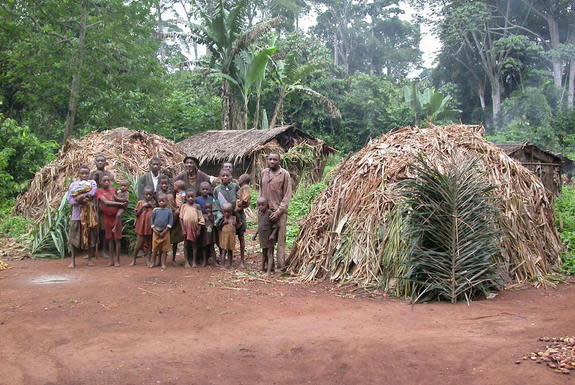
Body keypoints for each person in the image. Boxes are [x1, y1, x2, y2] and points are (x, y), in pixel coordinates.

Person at [260, 153, 292, 270]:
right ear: (267, 160)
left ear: (279, 161)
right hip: (265, 212)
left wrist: (278, 212)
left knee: (280, 239)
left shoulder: (284, 174)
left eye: (275, 159)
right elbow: (261, 192)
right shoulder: (264, 173)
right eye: (270, 159)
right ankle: (269, 265)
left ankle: (281, 265)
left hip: (280, 212)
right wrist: (261, 208)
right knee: (267, 239)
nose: (272, 161)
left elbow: (287, 195)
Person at [67, 165, 98, 268]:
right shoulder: (73, 185)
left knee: (90, 236)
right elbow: (70, 199)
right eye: (82, 173)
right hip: (77, 215)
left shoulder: (92, 183)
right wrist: (78, 200)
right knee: (74, 238)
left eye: (86, 173)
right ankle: (73, 261)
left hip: (89, 215)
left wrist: (81, 196)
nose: (84, 175)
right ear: (78, 174)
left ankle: (90, 259)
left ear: (89, 174)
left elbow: (93, 192)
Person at [96, 175, 127, 267]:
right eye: (104, 180)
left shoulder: (114, 190)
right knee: (109, 239)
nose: (106, 182)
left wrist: (122, 204)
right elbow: (106, 202)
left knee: (117, 239)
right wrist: (121, 204)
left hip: (116, 217)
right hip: (107, 218)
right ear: (100, 182)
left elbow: (120, 198)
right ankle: (111, 260)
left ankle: (117, 260)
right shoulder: (99, 191)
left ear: (110, 181)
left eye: (108, 180)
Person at [212, 169, 239, 261]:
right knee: (221, 238)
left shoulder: (235, 186)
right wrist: (220, 216)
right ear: (220, 177)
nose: (225, 177)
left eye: (227, 175)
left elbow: (239, 198)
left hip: (233, 215)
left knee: (232, 237)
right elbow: (215, 203)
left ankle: (231, 257)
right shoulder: (217, 189)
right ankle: (222, 256)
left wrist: (236, 210)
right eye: (223, 176)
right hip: (222, 216)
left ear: (231, 177)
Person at [253, 196, 278, 274]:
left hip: (269, 237)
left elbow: (276, 226)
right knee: (264, 253)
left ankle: (269, 271)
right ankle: (262, 268)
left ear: (267, 205)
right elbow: (260, 225)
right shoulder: (259, 213)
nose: (261, 207)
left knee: (270, 254)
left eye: (262, 205)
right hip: (262, 237)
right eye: (259, 205)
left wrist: (273, 235)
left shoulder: (269, 213)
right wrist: (255, 234)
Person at [131, 186, 156, 266]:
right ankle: (134, 259)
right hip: (141, 227)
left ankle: (148, 260)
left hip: (149, 227)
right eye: (146, 194)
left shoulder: (154, 203)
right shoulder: (140, 203)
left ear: (152, 195)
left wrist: (151, 206)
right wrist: (143, 207)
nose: (148, 196)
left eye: (150, 194)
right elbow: (136, 214)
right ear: (143, 194)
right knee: (138, 244)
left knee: (149, 244)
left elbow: (156, 212)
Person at [180, 189, 204, 268]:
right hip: (186, 228)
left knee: (194, 245)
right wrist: (183, 229)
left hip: (194, 228)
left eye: (192, 197)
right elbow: (181, 218)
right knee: (186, 245)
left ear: (195, 197)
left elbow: (201, 218)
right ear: (186, 198)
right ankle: (186, 261)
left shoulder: (197, 206)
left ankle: (194, 261)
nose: (190, 198)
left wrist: (199, 229)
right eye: (188, 197)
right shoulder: (183, 206)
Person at [151, 194, 173, 270]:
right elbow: (152, 221)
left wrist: (165, 231)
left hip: (165, 232)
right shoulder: (155, 210)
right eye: (159, 201)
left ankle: (163, 263)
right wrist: (154, 229)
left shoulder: (169, 211)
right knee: (154, 248)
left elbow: (170, 222)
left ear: (167, 201)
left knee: (165, 249)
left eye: (163, 201)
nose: (161, 202)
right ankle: (153, 262)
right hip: (156, 231)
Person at [235, 173, 251, 268]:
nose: (238, 179)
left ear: (244, 180)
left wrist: (240, 204)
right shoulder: (241, 187)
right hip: (238, 210)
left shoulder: (245, 187)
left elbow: (245, 199)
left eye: (239, 178)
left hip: (240, 212)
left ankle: (242, 260)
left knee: (241, 237)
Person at [218, 203, 239, 268]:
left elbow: (237, 226)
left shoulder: (233, 218)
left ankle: (230, 264)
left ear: (231, 211)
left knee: (230, 251)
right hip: (224, 237)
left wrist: (235, 224)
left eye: (228, 212)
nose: (227, 213)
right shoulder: (222, 218)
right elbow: (219, 227)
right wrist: (223, 223)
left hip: (231, 237)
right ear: (223, 212)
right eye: (225, 212)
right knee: (224, 250)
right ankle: (222, 264)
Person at [170, 180, 186, 263]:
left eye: (175, 186)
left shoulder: (182, 194)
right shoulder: (176, 194)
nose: (173, 187)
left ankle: (171, 224)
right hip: (176, 209)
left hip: (180, 210)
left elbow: (183, 202)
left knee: (177, 216)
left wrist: (179, 208)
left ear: (178, 187)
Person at [199, 202, 216, 266]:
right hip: (205, 234)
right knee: (204, 247)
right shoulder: (203, 216)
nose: (208, 209)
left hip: (211, 234)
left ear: (212, 208)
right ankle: (204, 261)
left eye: (209, 208)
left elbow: (214, 223)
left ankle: (214, 261)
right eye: (206, 208)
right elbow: (201, 224)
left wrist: (210, 217)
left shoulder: (213, 215)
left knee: (212, 247)